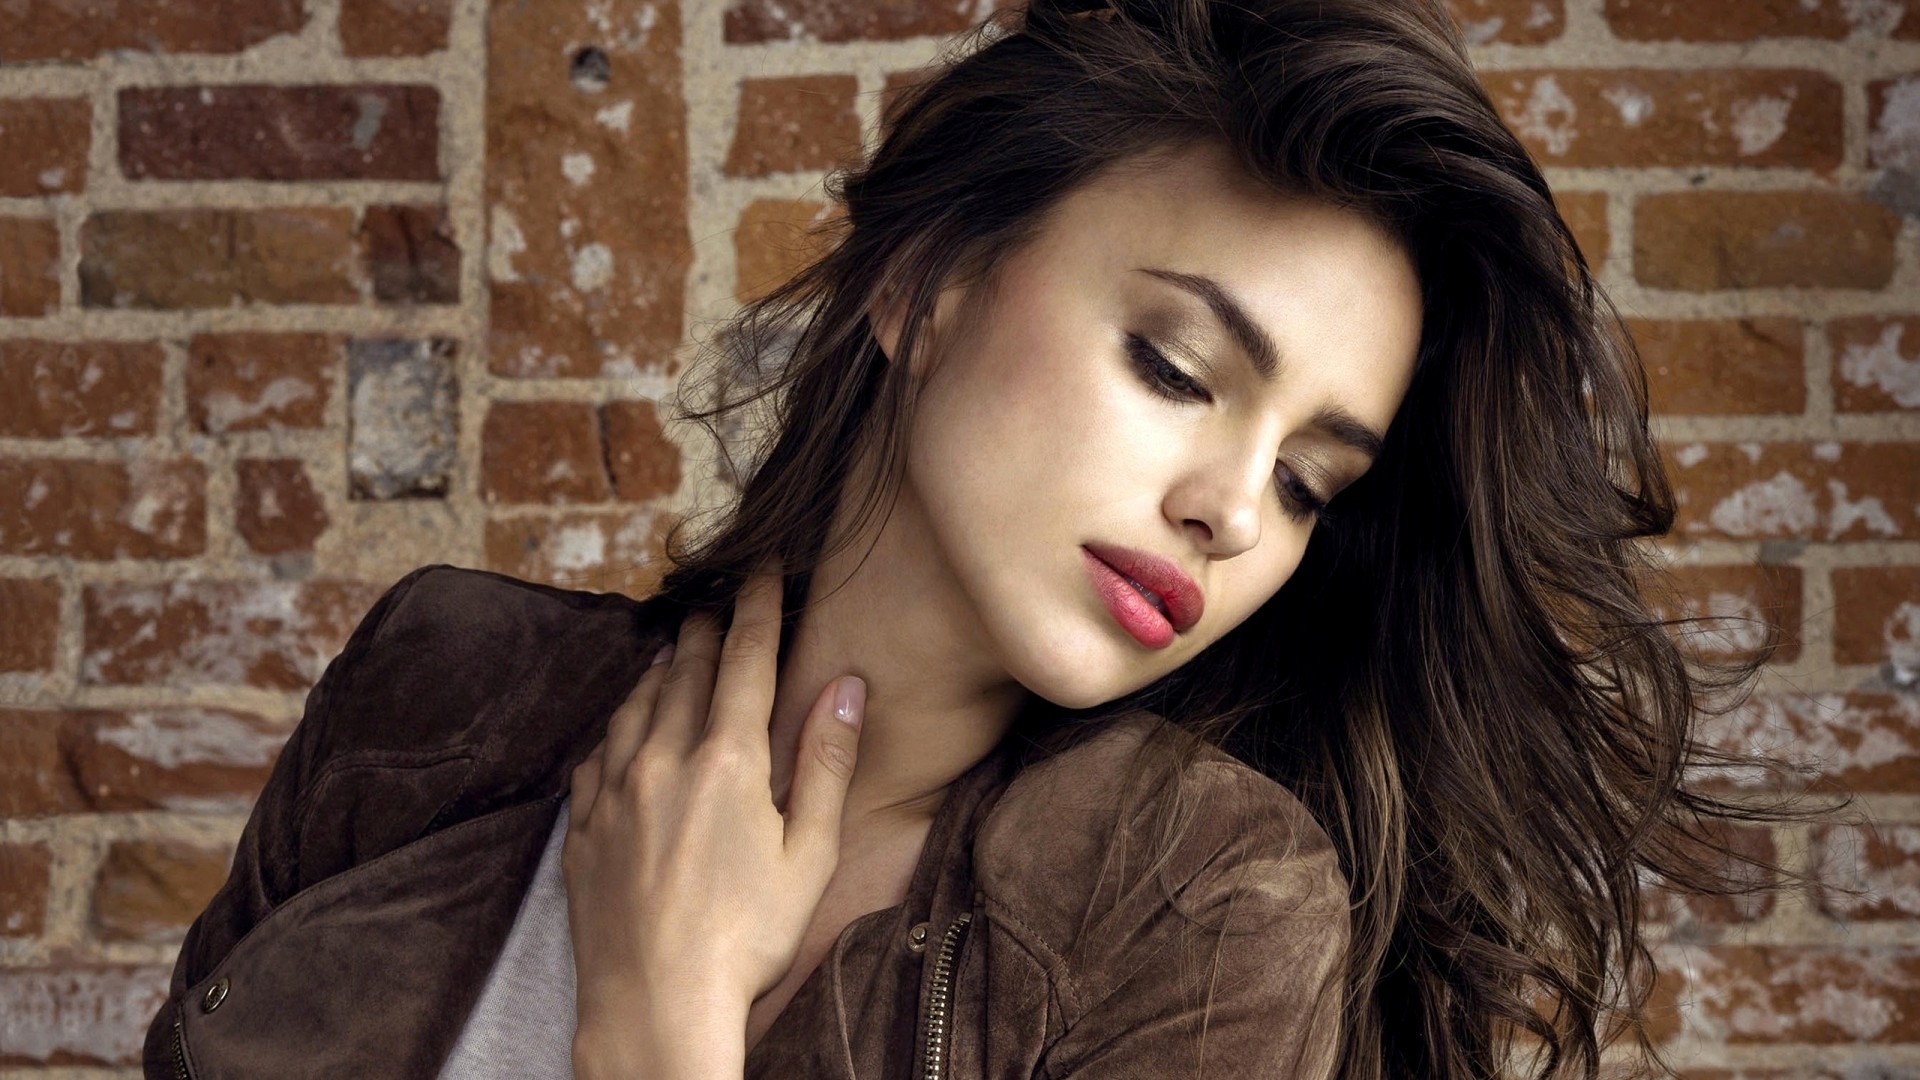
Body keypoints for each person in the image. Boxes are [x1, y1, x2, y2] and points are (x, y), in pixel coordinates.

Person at [144, 0, 1803, 1077]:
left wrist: (663, 1028)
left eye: (1311, 481)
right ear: (924, 284)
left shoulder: (1191, 904)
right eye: (1176, 369)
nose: (1233, 510)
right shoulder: (441, 691)